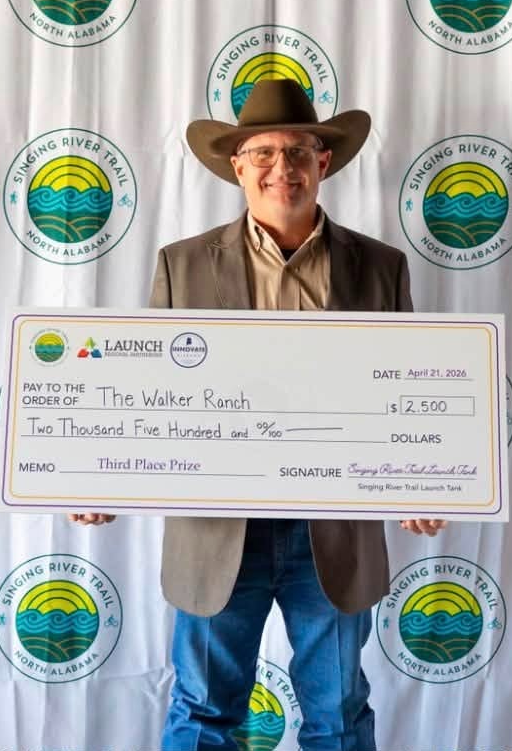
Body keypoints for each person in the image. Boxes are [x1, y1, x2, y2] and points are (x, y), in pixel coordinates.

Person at [71, 78, 445, 751]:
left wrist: (425, 478)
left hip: (332, 531)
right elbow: (144, 392)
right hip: (219, 532)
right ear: (237, 165)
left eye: (300, 151)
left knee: (339, 715)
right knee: (204, 711)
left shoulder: (381, 268)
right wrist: (104, 474)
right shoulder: (181, 265)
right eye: (265, 152)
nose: (284, 168)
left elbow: (407, 390)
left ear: (323, 163)